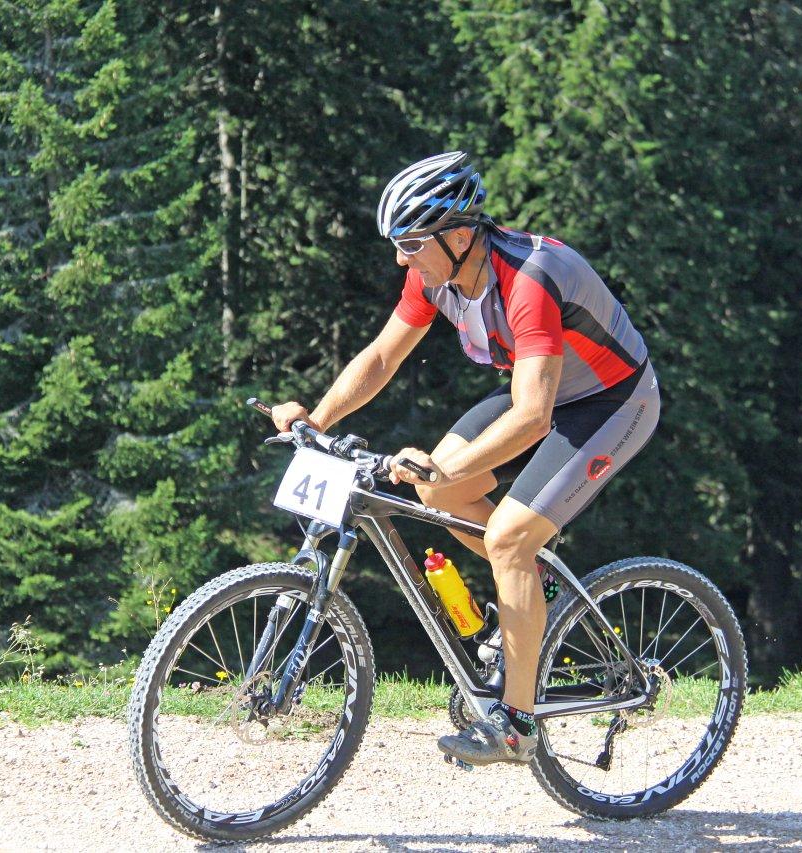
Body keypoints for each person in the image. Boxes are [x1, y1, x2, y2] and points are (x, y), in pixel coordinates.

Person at [271, 151, 660, 766]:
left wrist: (448, 465)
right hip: (547, 391)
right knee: (438, 493)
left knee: (505, 537)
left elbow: (532, 417)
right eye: (397, 244)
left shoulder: (528, 280)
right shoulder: (434, 274)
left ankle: (517, 726)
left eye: (410, 243)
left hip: (614, 402)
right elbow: (382, 357)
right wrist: (317, 420)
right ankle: (539, 585)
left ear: (458, 236)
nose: (401, 259)